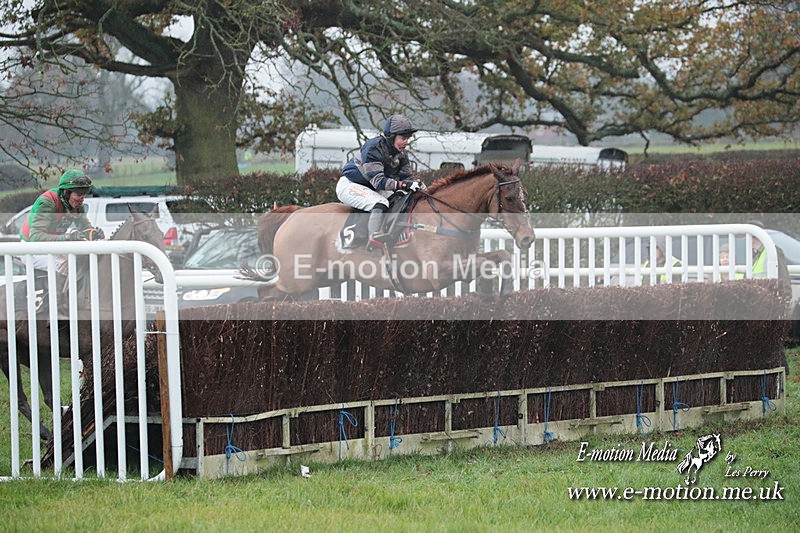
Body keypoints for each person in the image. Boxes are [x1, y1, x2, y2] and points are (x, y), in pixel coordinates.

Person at [336, 114, 425, 247]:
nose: (406, 142)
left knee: (400, 197)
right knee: (381, 203)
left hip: (371, 187)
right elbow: (378, 181)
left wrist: (418, 186)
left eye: (408, 138)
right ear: (391, 137)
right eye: (403, 138)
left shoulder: (402, 154)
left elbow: (406, 178)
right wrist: (404, 184)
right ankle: (374, 239)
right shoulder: (373, 148)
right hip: (351, 185)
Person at [20, 169, 105, 270]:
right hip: (31, 249)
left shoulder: (77, 206)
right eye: (78, 194)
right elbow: (35, 237)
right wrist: (67, 237)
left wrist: (93, 233)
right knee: (66, 268)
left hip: (53, 247)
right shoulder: (48, 202)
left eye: (84, 194)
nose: (82, 198)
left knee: (82, 263)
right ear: (66, 192)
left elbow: (85, 227)